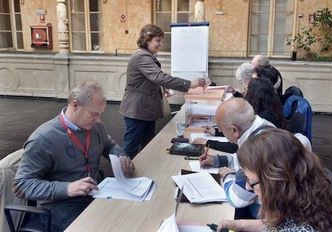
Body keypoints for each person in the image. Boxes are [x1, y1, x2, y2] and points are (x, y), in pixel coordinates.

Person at [13, 81, 135, 232]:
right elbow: (21, 185)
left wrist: (121, 156)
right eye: (94, 114)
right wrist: (67, 188)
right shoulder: (43, 139)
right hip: (60, 205)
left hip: (95, 192)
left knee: (129, 216)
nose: (98, 120)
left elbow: (109, 145)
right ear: (75, 105)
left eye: (100, 114)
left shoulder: (95, 126)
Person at [199, 98, 311, 219]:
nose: (221, 132)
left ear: (234, 130)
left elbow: (237, 199)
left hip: (266, 215)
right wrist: (217, 160)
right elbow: (239, 159)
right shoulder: (264, 128)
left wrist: (228, 176)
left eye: (221, 129)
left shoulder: (255, 150)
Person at [217, 128, 332, 232]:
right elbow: (276, 225)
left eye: (252, 182)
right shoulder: (307, 205)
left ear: (276, 184)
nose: (247, 187)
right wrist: (240, 225)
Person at [119, 24, 206, 159]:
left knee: (147, 147)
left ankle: (141, 174)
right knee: (130, 149)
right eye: (157, 41)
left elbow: (150, 78)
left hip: (143, 109)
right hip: (136, 110)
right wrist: (189, 84)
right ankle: (121, 177)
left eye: (161, 41)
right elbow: (158, 76)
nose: (160, 44)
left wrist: (162, 87)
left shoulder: (146, 55)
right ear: (147, 40)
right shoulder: (142, 56)